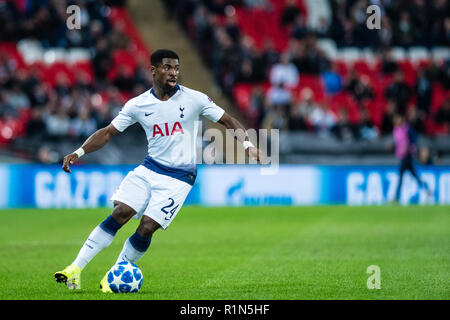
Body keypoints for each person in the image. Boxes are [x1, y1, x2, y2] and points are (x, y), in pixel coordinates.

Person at [54, 49, 262, 291]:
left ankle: (116, 273)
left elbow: (228, 120)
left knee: (146, 226)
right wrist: (78, 152)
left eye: (176, 68)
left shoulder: (194, 98)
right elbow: (108, 132)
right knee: (120, 213)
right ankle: (75, 269)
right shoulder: (138, 104)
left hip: (180, 177)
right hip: (150, 168)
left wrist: (248, 146)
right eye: (167, 67)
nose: (173, 73)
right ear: (153, 70)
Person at [392, 113, 430, 203]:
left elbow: (413, 141)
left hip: (408, 157)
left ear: (401, 119)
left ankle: (397, 197)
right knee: (414, 176)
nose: (396, 121)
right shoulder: (397, 130)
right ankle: (427, 190)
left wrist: (409, 147)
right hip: (402, 157)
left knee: (402, 177)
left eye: (397, 119)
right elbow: (398, 143)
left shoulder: (407, 129)